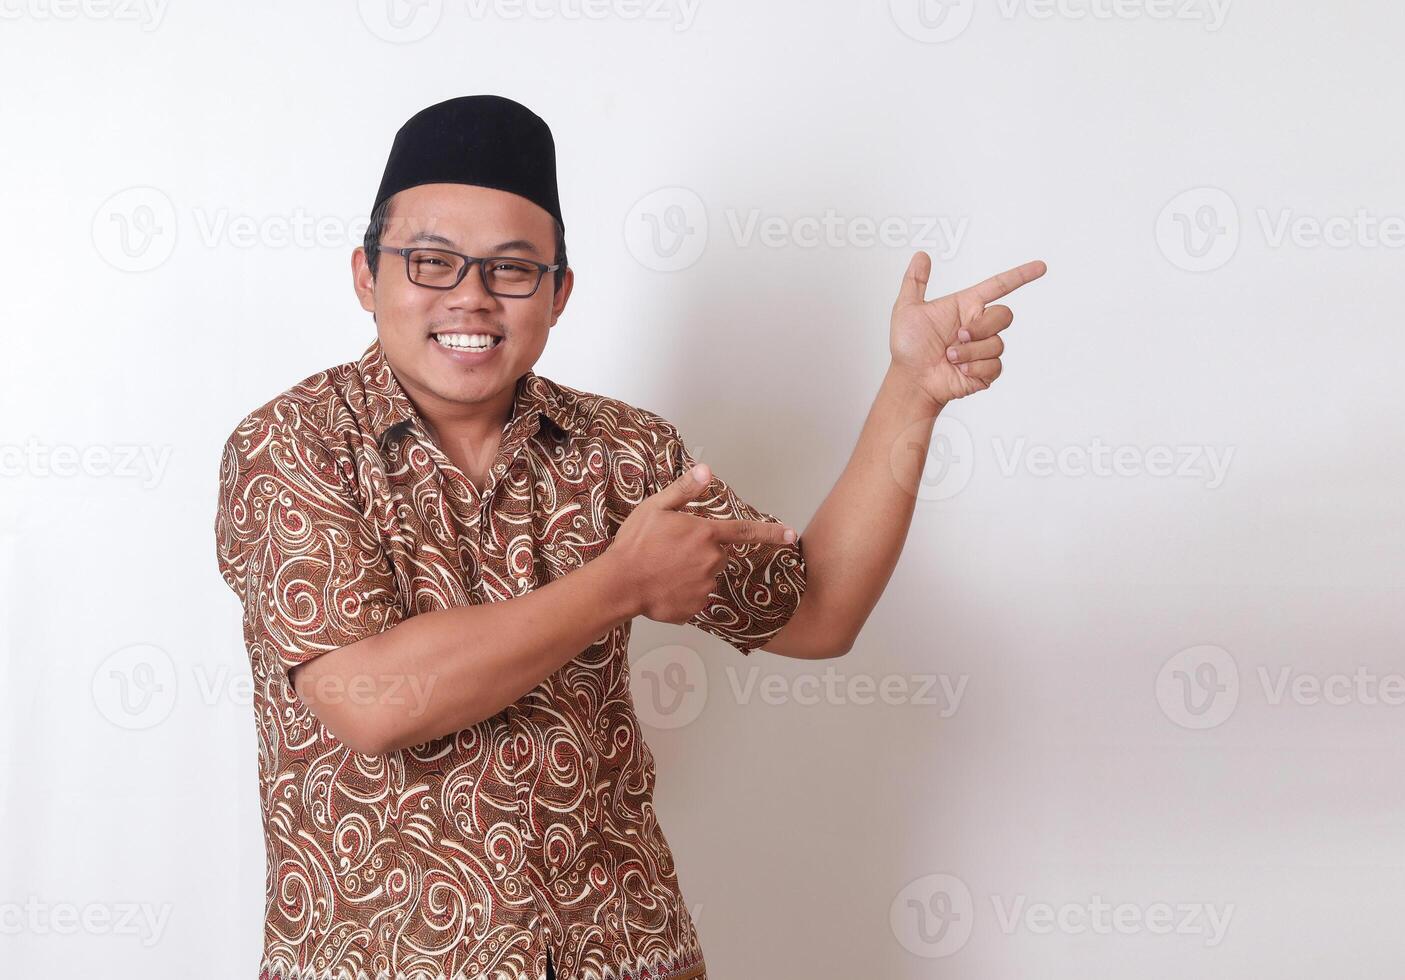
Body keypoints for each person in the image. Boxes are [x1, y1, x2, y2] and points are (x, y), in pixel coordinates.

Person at [215, 94, 1045, 980]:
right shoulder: (291, 445)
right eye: (430, 261)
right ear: (365, 275)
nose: (471, 297)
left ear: (560, 293)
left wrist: (911, 391)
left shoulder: (626, 453)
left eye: (512, 269)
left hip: (625, 953)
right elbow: (372, 698)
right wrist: (620, 585)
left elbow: (819, 609)